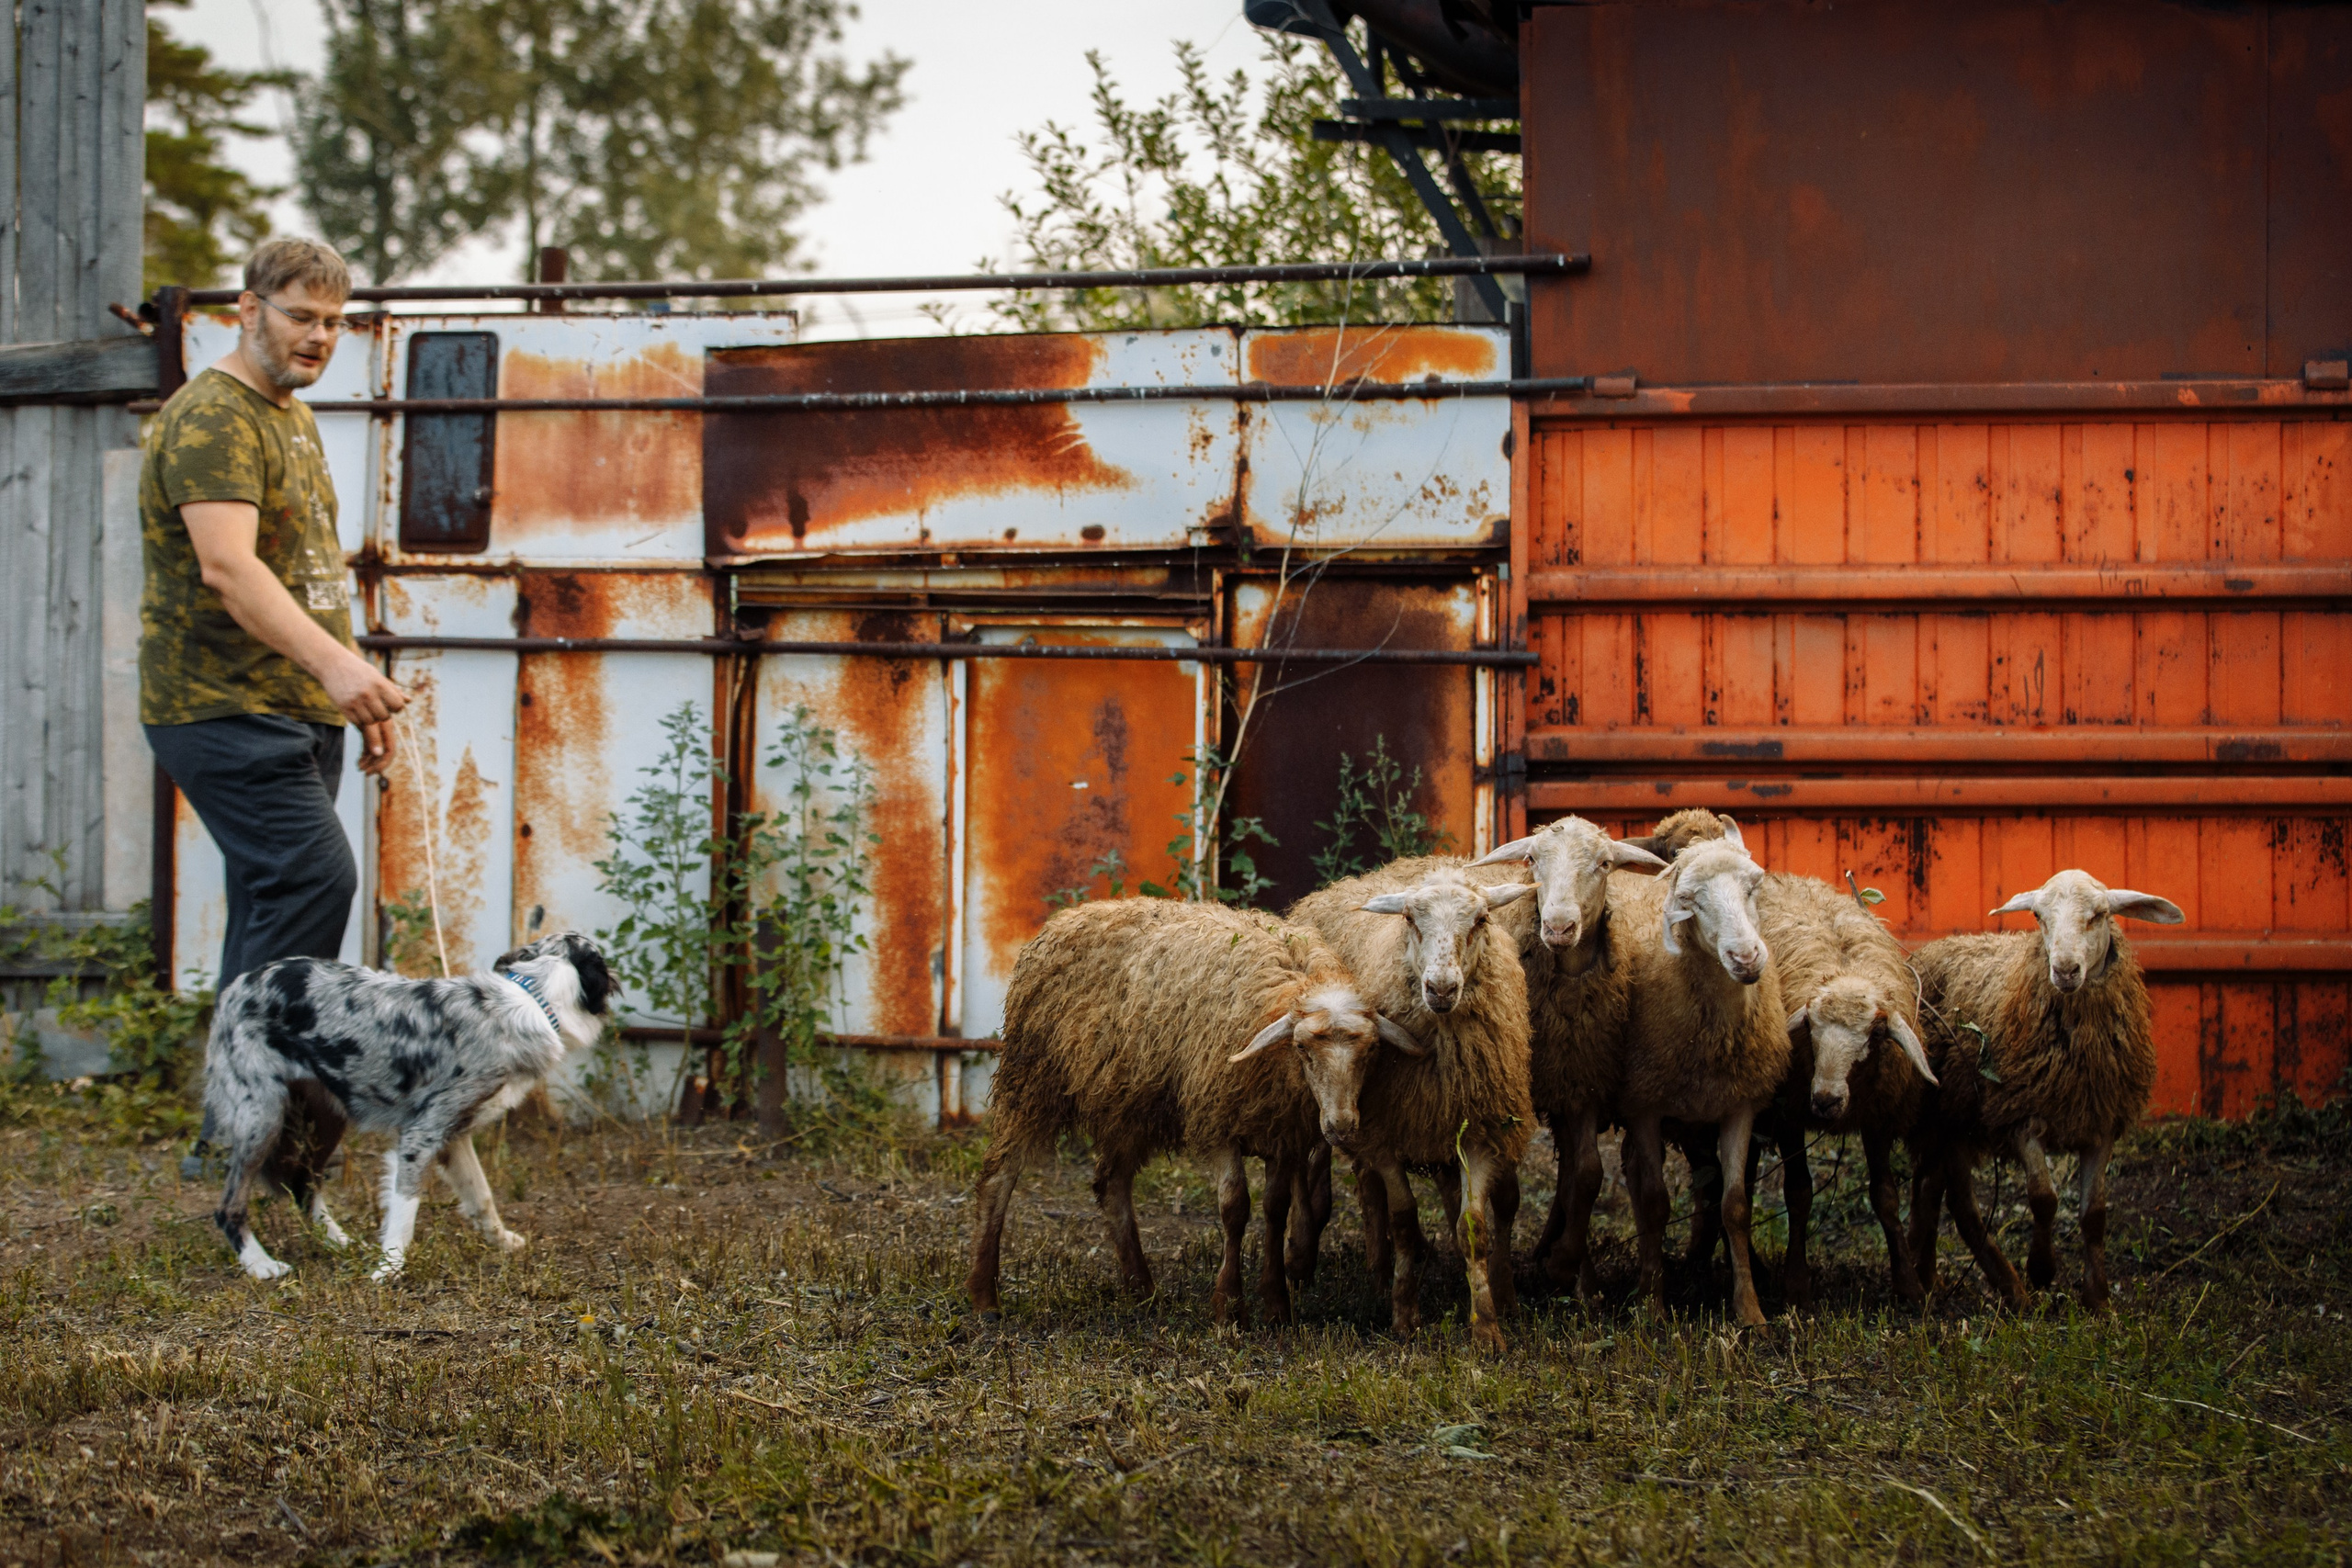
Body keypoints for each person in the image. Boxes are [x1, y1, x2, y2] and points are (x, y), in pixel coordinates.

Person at [140, 238, 409, 1166]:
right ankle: (268, 1130)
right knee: (311, 878)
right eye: (301, 315)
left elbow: (304, 580)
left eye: (334, 322)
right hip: (218, 704)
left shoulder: (288, 416)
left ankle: (233, 1137)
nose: (320, 336)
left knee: (268, 906)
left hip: (291, 705)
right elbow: (228, 570)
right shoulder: (213, 418)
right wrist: (336, 671)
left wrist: (350, 688)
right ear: (247, 310)